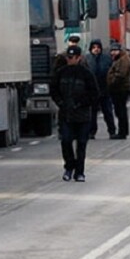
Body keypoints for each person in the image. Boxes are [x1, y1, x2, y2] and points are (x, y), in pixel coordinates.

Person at [49, 45, 99, 181]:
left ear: (79, 58)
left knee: (81, 144)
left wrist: (81, 104)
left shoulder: (87, 74)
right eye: (67, 57)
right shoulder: (61, 72)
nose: (69, 60)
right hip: (66, 115)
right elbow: (53, 89)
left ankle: (80, 172)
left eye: (71, 57)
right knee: (66, 141)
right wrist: (60, 102)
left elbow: (94, 94)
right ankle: (69, 167)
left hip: (83, 115)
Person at [85, 39, 115, 139]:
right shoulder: (87, 59)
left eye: (98, 47)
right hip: (92, 91)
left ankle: (112, 131)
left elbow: (112, 71)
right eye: (94, 48)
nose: (96, 49)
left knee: (108, 112)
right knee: (92, 114)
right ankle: (91, 132)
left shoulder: (106, 59)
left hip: (105, 89)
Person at [106, 41, 130, 140]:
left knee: (121, 111)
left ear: (120, 51)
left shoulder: (123, 60)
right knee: (120, 111)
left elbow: (120, 75)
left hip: (120, 89)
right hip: (118, 89)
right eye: (112, 51)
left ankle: (122, 132)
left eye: (115, 50)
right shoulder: (119, 59)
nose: (113, 53)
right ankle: (123, 131)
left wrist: (111, 82)